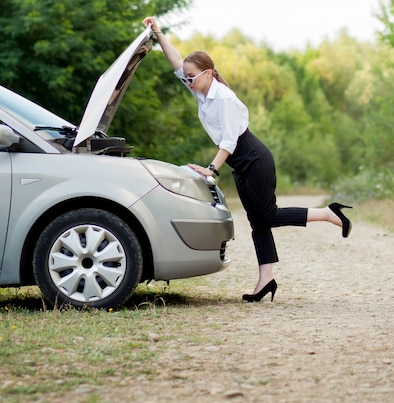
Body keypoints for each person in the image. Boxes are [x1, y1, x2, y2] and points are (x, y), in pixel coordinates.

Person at [142, 17, 353, 303]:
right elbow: (177, 62)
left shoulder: (224, 98)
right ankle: (266, 279)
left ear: (208, 73)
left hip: (254, 159)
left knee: (267, 215)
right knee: (258, 222)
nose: (187, 80)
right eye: (187, 77)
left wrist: (211, 169)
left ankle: (328, 214)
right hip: (241, 164)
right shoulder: (203, 93)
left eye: (192, 77)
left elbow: (229, 141)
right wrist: (157, 33)